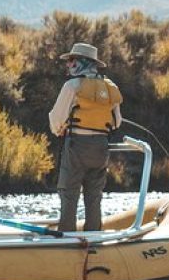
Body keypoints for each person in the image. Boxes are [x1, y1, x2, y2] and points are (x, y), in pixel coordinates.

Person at [48, 43, 122, 232]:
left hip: (76, 147)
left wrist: (60, 130)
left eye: (71, 60)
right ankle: (94, 237)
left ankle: (66, 239)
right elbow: (117, 122)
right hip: (101, 148)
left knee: (69, 194)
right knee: (94, 196)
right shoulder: (111, 88)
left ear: (81, 62)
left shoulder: (72, 86)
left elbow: (56, 120)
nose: (68, 64)